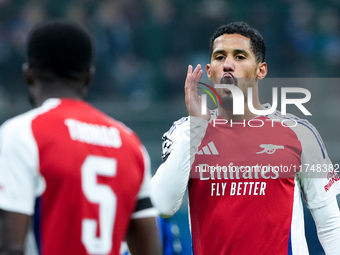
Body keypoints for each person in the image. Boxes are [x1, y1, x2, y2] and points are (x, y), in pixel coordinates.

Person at [150, 22, 340, 254]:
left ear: (261, 70)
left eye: (240, 57)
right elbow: (162, 206)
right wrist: (197, 127)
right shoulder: (184, 132)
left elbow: (330, 224)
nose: (228, 65)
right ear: (209, 72)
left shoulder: (299, 133)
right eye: (220, 57)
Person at [0, 19, 162, 255]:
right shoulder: (129, 142)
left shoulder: (23, 132)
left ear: (28, 75)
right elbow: (150, 250)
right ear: (89, 76)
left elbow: (10, 246)